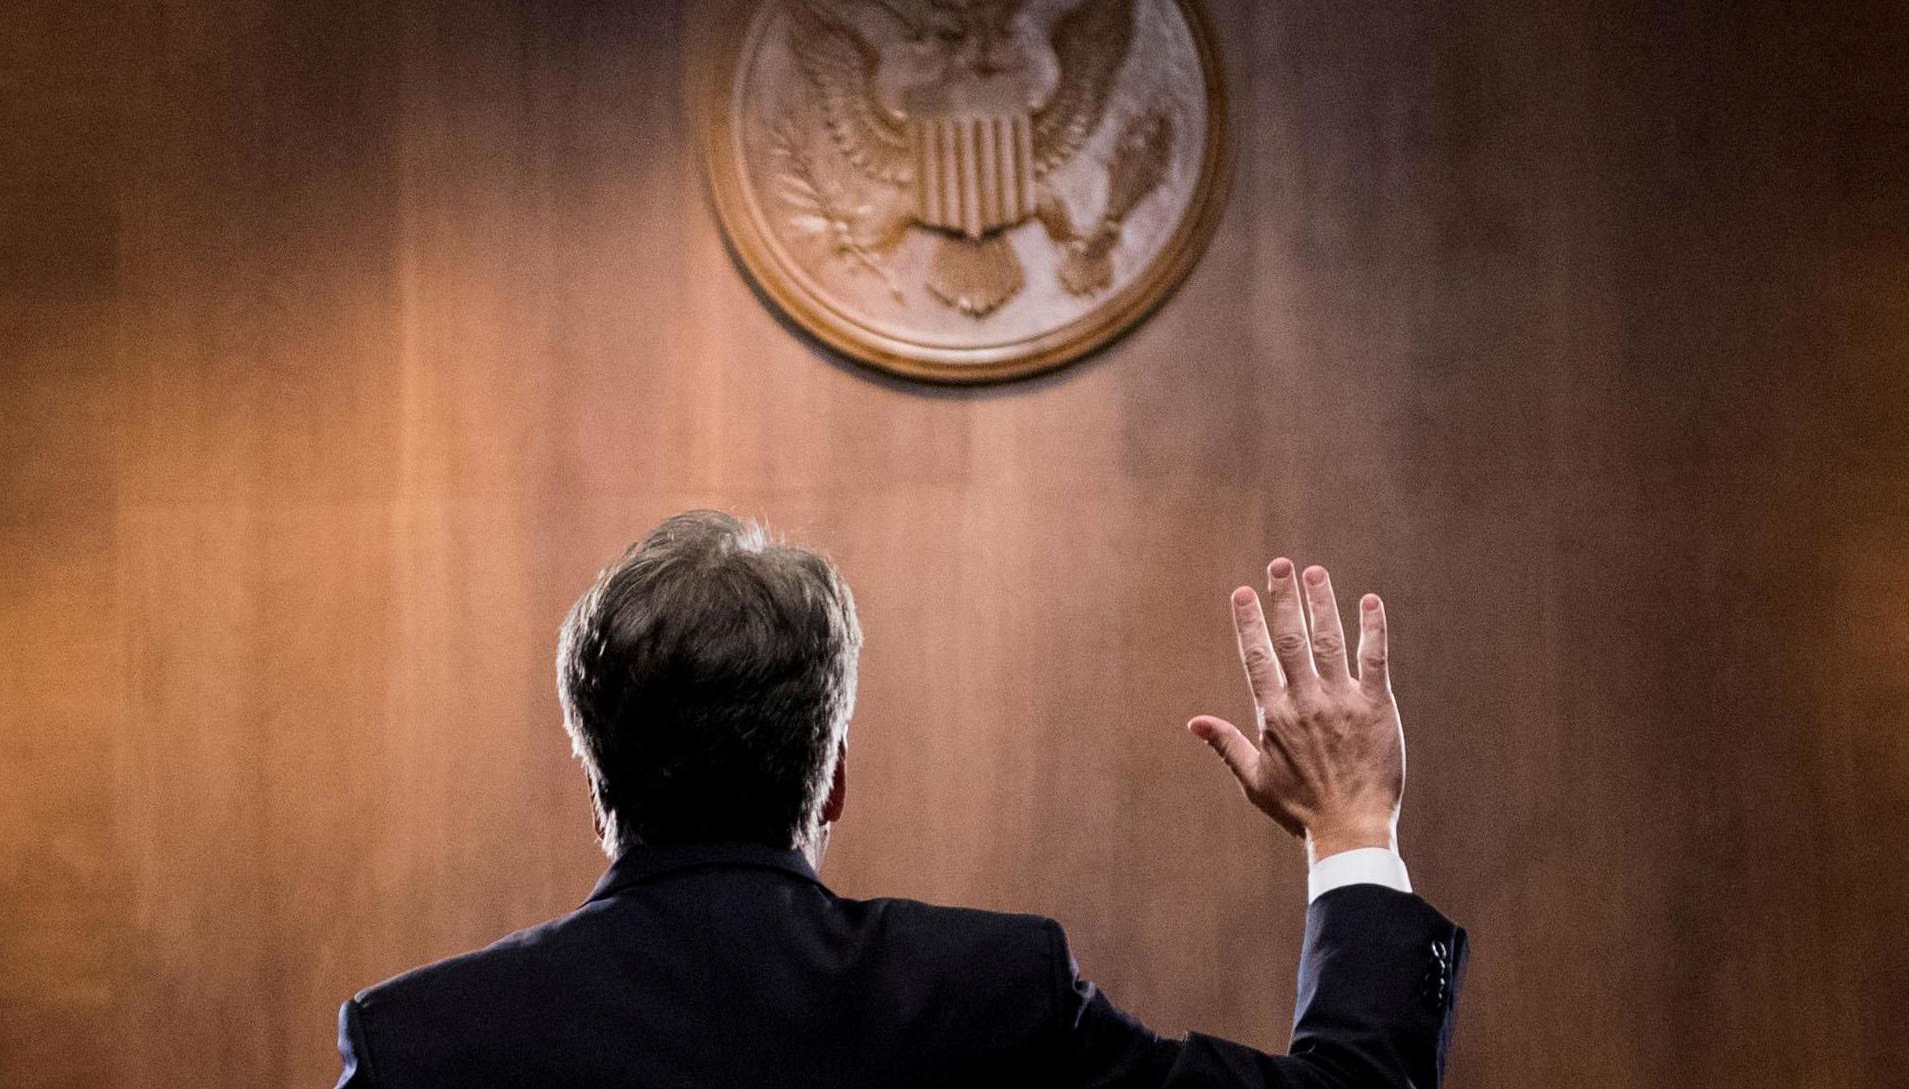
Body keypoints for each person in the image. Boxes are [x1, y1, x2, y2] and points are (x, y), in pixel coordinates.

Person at [335, 510, 1466, 1087]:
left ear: (598, 785)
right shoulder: (988, 996)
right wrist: (1351, 827)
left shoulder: (424, 1047)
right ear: (832, 780)